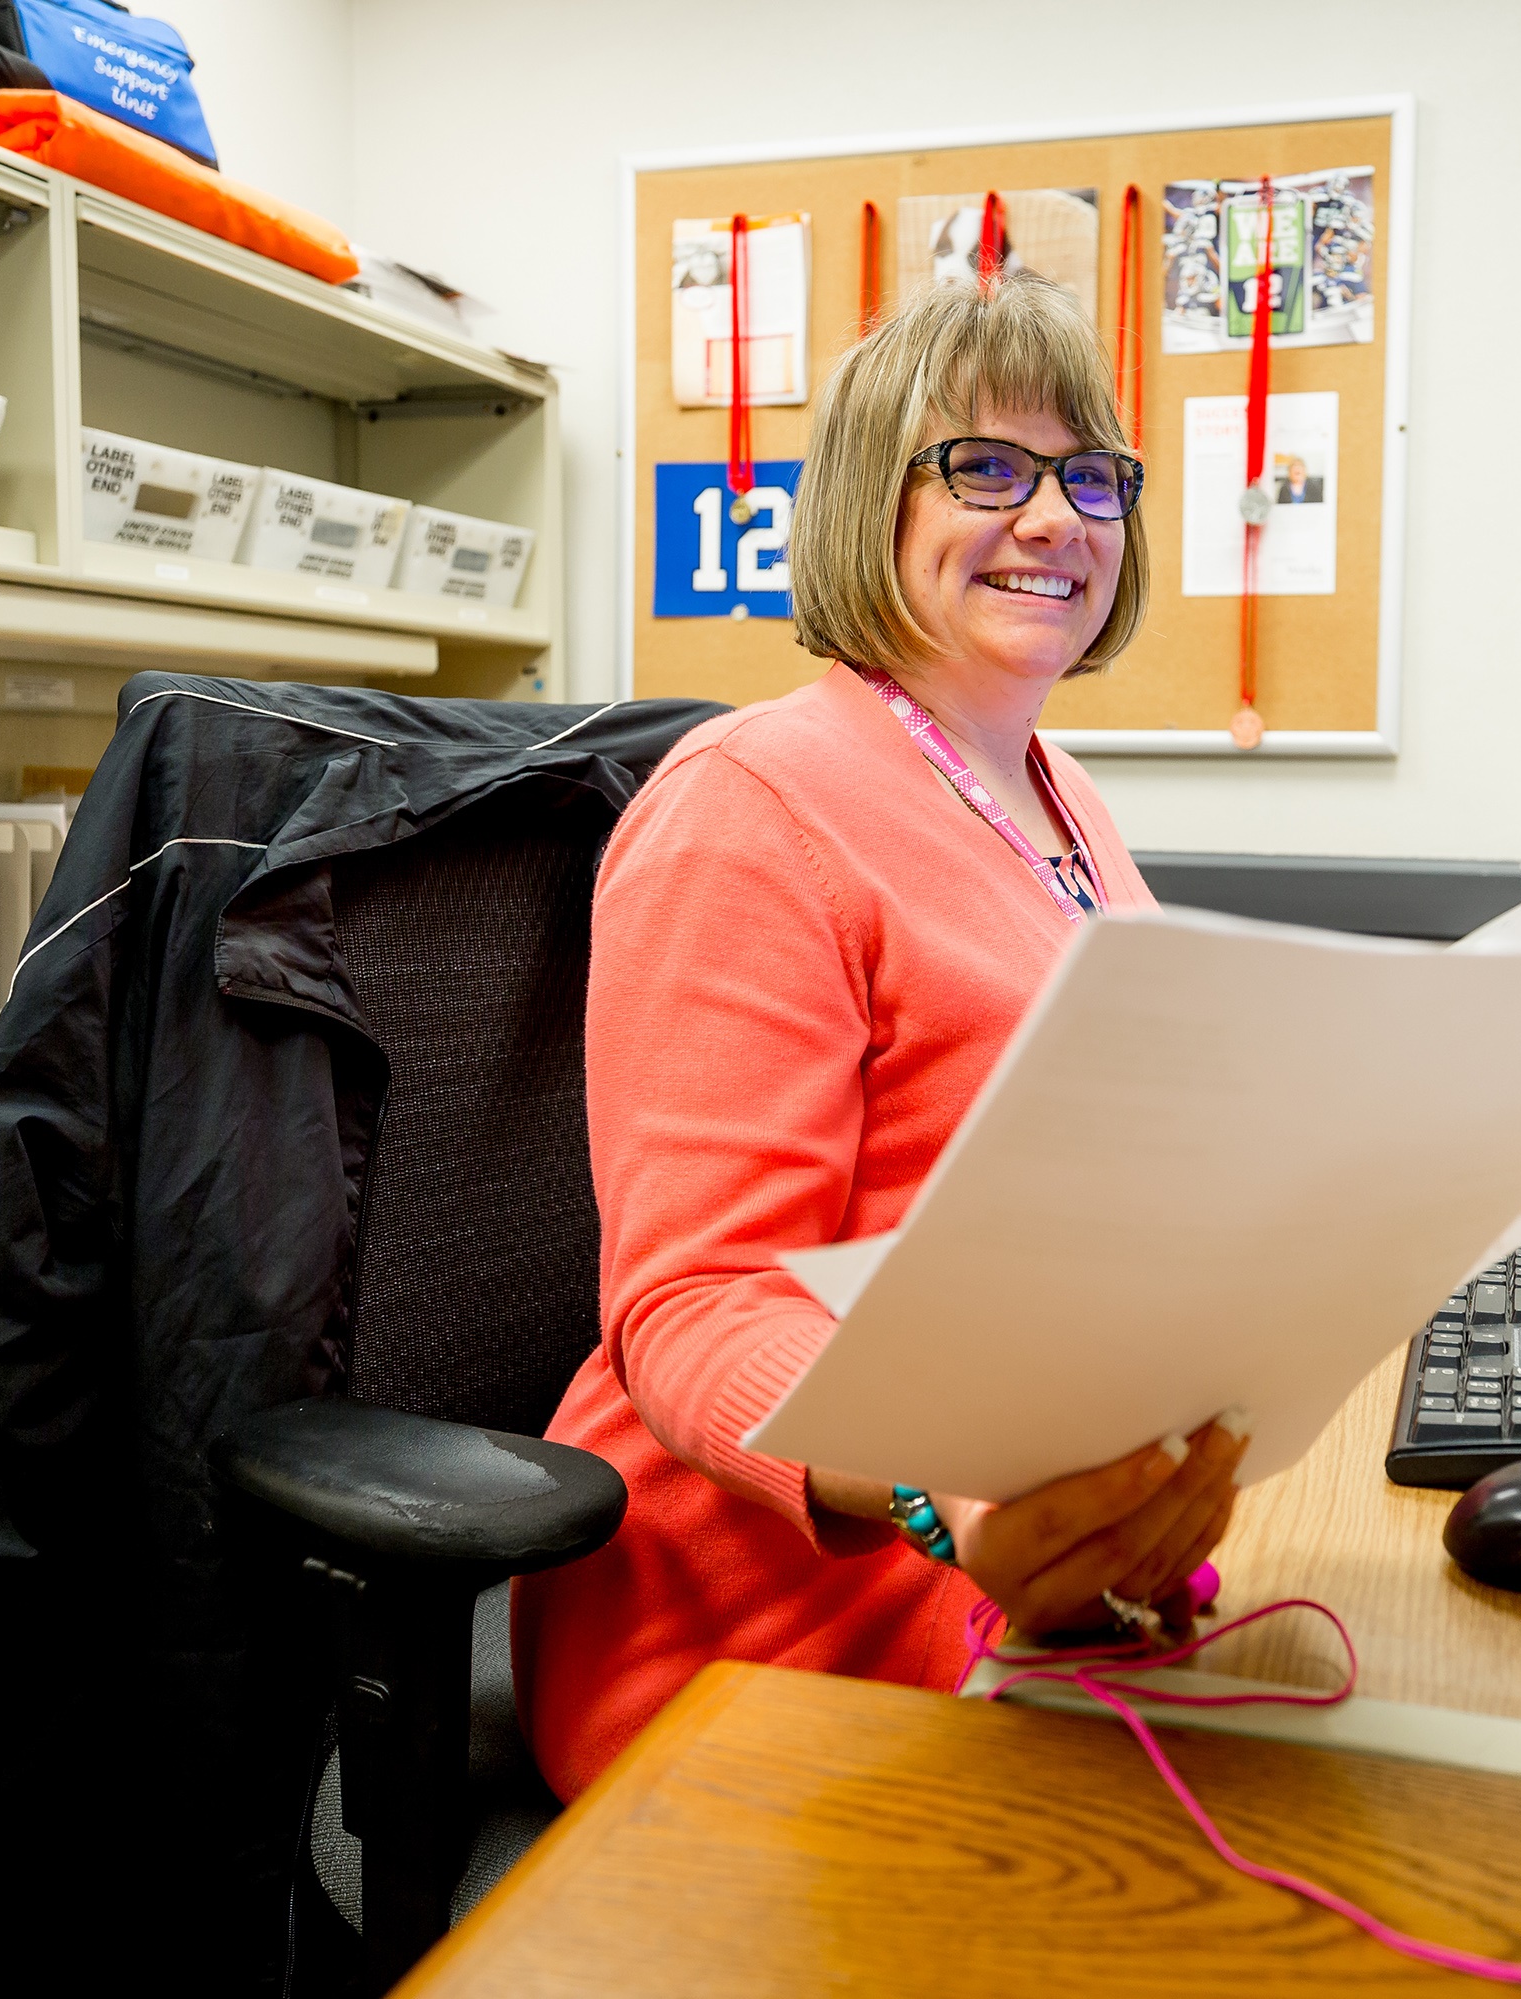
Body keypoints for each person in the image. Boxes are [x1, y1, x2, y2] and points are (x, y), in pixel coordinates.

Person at [517, 273, 1249, 1800]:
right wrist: (944, 1468)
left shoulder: (1061, 797)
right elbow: (700, 1305)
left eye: (1090, 475)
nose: (1055, 518)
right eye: (986, 468)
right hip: (774, 1616)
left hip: (1048, 1521)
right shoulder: (749, 812)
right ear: (868, 501)